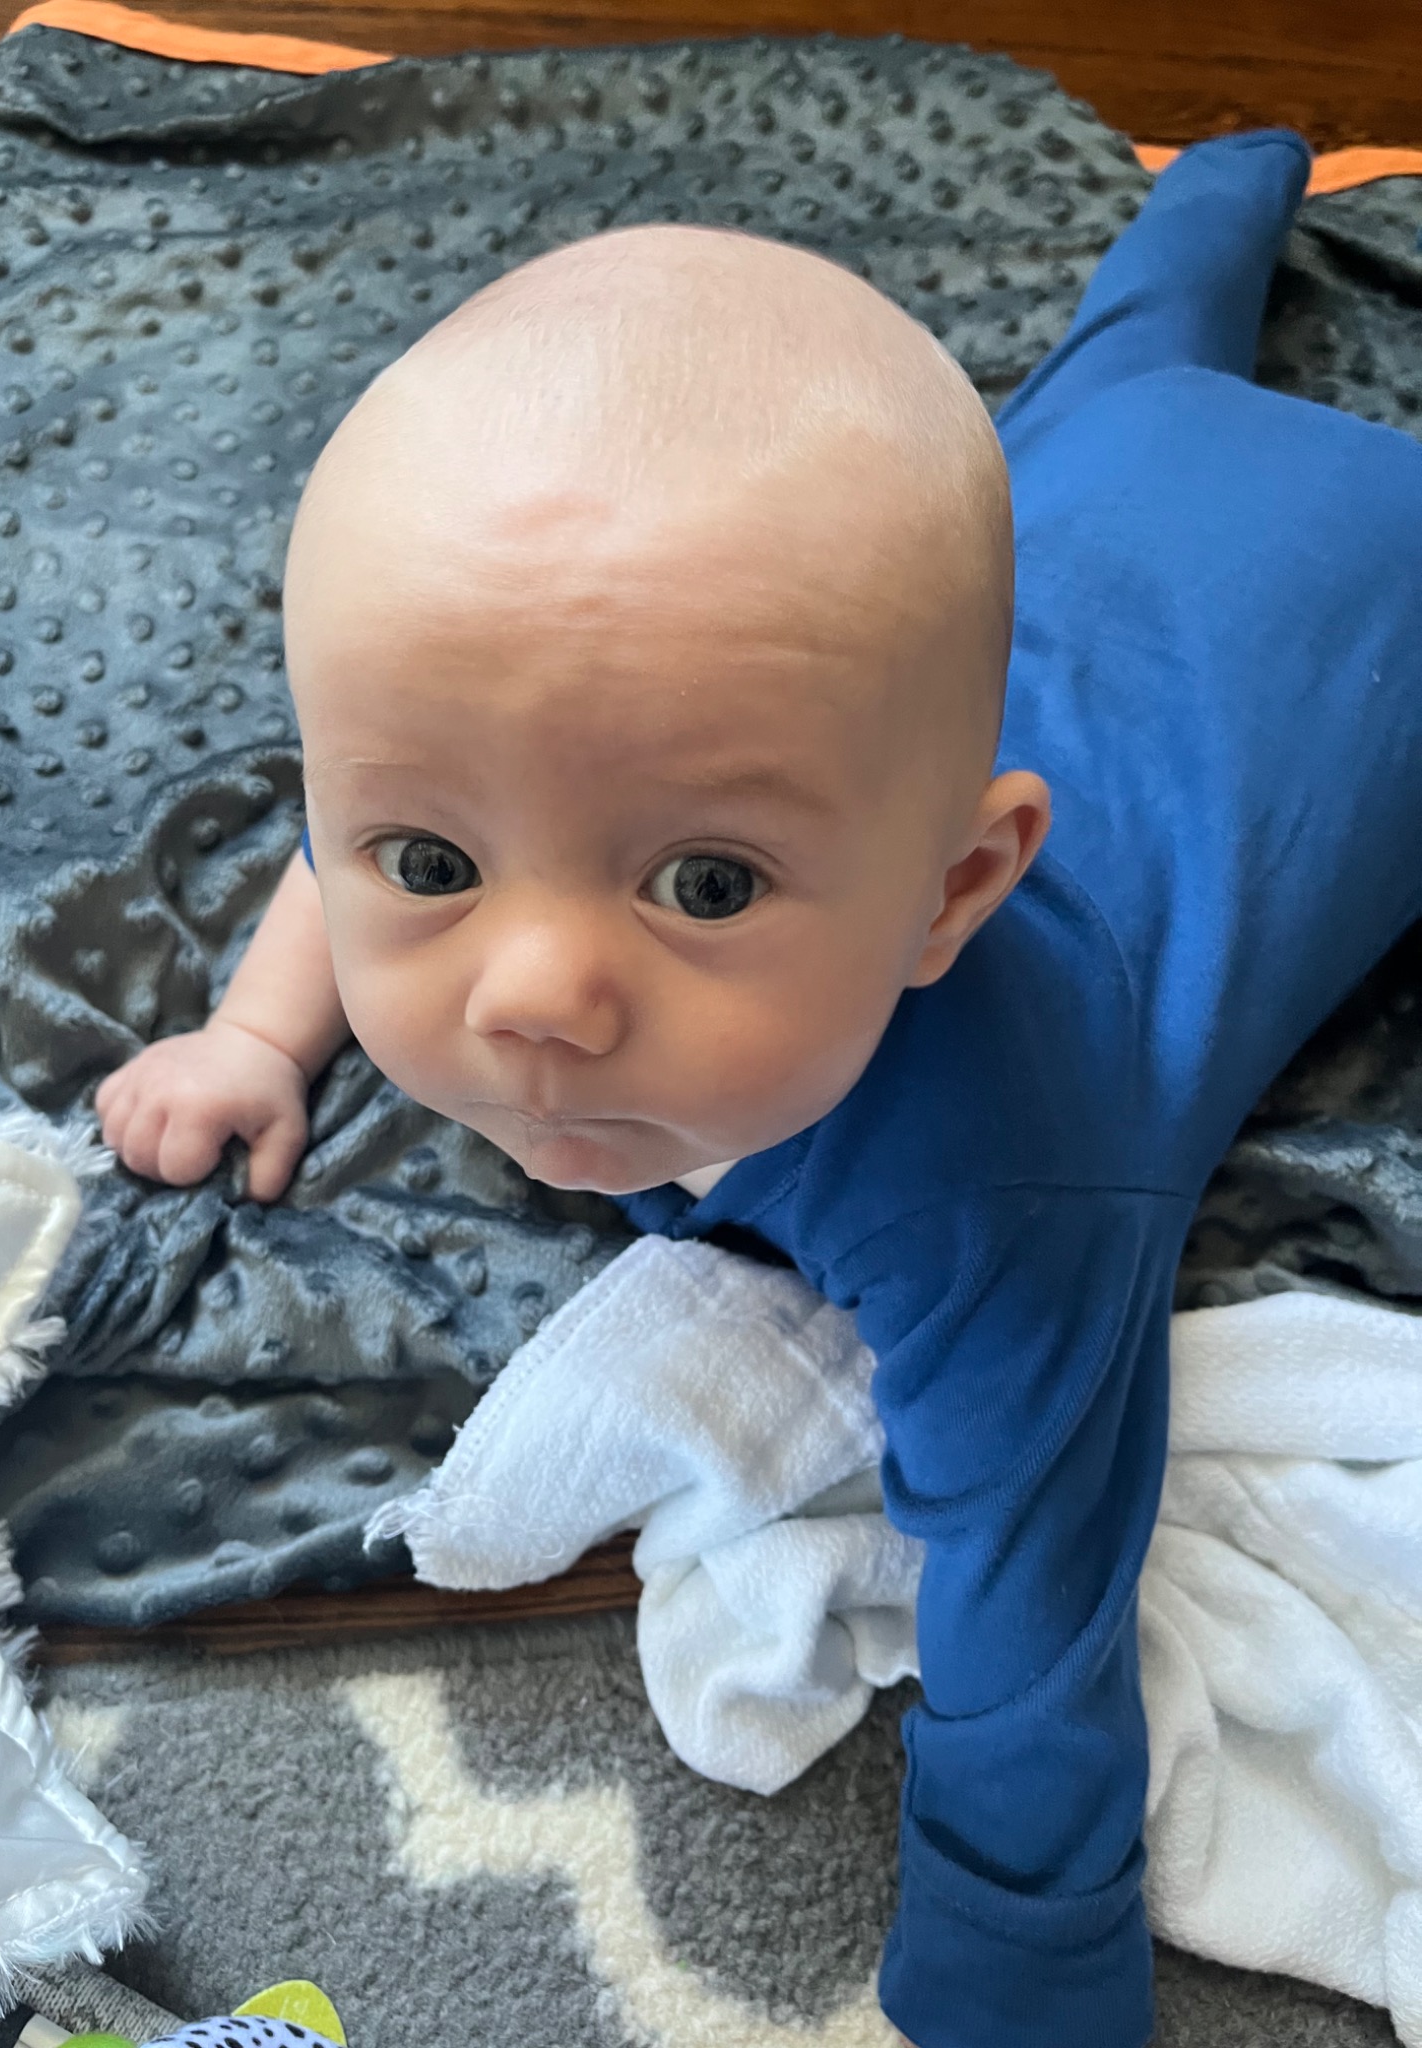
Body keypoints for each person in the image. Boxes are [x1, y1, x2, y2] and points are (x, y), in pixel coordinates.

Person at [95, 131, 1422, 2047]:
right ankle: (1219, 196)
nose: (535, 1001)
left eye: (706, 885)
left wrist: (1022, 1970)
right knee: (1126, 374)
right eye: (439, 865)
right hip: (1111, 489)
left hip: (1370, 570)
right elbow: (342, 825)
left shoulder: (1006, 1178)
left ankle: (1214, 220)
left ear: (956, 893)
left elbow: (1032, 1591)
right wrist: (253, 1035)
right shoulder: (557, 755)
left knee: (1123, 406)